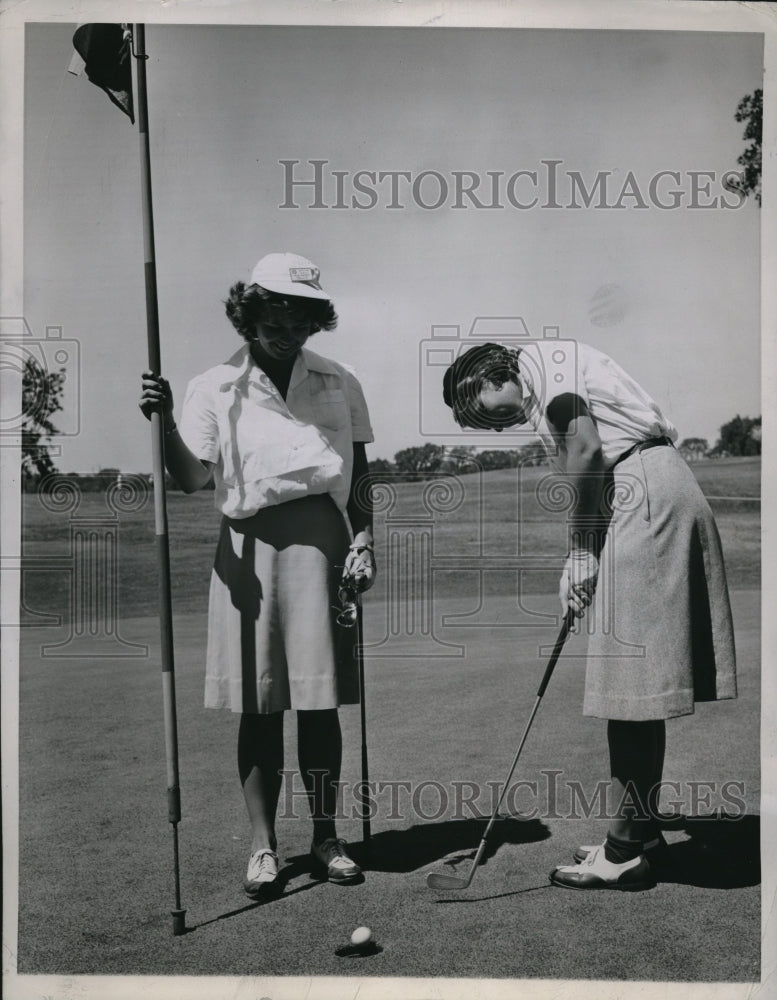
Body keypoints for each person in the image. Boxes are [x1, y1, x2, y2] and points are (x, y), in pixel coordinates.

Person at [442, 339, 736, 891]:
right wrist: (586, 548)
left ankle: (624, 849)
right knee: (635, 687)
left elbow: (584, 452)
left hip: (643, 492)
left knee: (627, 685)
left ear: (484, 378)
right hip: (649, 487)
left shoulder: (543, 365)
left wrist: (579, 550)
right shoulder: (554, 366)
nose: (495, 430)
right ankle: (641, 833)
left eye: (479, 414)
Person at [139, 252, 376, 897]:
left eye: (303, 318)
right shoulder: (214, 385)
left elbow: (360, 475)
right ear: (250, 311)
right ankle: (263, 845)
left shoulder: (339, 379)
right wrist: (162, 424)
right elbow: (191, 480)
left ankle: (325, 836)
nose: (290, 330)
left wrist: (366, 540)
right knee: (260, 704)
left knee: (320, 704)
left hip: (325, 545)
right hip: (248, 549)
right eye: (278, 314)